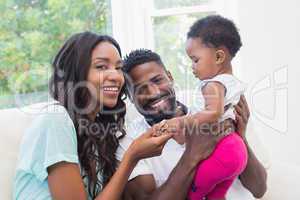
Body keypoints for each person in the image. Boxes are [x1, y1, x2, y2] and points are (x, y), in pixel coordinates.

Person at [13, 32, 174, 200]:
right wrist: (132, 157)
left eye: (118, 68)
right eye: (101, 67)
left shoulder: (96, 132)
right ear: (76, 72)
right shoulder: (56, 120)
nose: (115, 76)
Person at [118, 49, 267, 200]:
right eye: (139, 90)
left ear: (170, 77)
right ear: (130, 97)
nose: (153, 93)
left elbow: (259, 189)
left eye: (157, 80)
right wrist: (192, 155)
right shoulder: (131, 143)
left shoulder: (209, 107)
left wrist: (241, 137)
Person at [157, 15, 248, 199]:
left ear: (218, 56)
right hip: (237, 150)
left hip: (222, 152)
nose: (192, 67)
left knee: (192, 195)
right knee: (217, 195)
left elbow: (214, 112)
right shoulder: (231, 84)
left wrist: (181, 122)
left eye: (195, 60)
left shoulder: (212, 84)